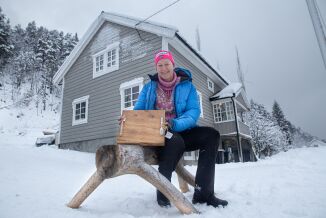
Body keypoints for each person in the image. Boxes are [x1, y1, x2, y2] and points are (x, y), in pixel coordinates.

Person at [133, 50, 228, 208]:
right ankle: (164, 193)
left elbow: (193, 113)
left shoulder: (187, 86)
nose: (163, 68)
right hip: (161, 133)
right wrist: (128, 118)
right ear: (156, 67)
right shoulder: (149, 88)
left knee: (211, 135)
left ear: (173, 65)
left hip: (182, 129)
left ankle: (204, 194)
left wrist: (175, 123)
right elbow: (138, 111)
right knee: (173, 140)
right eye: (160, 65)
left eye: (166, 64)